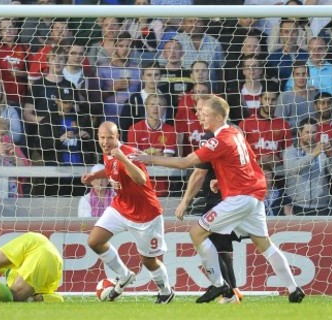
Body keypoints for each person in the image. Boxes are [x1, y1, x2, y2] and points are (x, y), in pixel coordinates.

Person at [136, 95, 305, 303]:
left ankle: (218, 284)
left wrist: (148, 158)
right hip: (253, 196)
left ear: (217, 116)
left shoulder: (218, 140)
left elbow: (186, 162)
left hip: (240, 198)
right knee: (265, 245)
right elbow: (247, 164)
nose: (201, 118)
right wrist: (221, 181)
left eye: (205, 114)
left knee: (197, 233)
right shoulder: (236, 133)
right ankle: (294, 289)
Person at [81, 121, 174, 304]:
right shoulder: (108, 152)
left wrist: (123, 158)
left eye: (110, 138)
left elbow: (140, 179)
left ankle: (166, 291)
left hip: (145, 214)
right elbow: (110, 169)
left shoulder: (129, 154)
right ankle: (124, 276)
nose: (105, 142)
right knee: (94, 241)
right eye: (102, 138)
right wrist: (94, 176)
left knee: (148, 261)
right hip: (120, 207)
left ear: (117, 137)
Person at [176, 95, 243, 304]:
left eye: (201, 110)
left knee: (209, 241)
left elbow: (198, 173)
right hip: (235, 194)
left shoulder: (211, 136)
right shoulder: (236, 131)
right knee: (220, 246)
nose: (198, 114)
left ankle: (227, 290)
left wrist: (185, 201)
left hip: (221, 198)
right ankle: (231, 291)